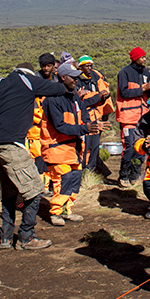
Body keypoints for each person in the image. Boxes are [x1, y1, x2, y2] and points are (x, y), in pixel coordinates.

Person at [0, 60, 69, 250]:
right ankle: (27, 236)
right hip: (11, 145)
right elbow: (57, 89)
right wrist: (68, 85)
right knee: (35, 190)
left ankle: (6, 237)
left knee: (8, 191)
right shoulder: (28, 81)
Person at [41, 62, 107, 226]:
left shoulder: (74, 97)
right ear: (63, 78)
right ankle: (56, 212)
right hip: (57, 148)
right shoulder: (52, 99)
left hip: (73, 148)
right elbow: (60, 126)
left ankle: (67, 210)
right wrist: (85, 128)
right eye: (73, 78)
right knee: (64, 179)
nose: (76, 81)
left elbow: (84, 115)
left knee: (75, 178)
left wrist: (90, 126)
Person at [115, 47, 150, 187]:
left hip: (142, 116)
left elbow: (146, 96)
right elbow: (124, 93)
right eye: (142, 57)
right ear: (135, 58)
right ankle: (123, 176)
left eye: (145, 57)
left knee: (142, 148)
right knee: (130, 147)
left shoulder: (146, 72)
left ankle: (135, 175)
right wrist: (143, 88)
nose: (144, 59)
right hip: (128, 116)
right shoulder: (124, 73)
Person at [76, 55, 114, 177]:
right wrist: (98, 97)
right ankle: (82, 174)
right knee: (84, 148)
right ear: (80, 67)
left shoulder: (95, 79)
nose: (89, 68)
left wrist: (102, 99)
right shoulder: (76, 81)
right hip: (84, 120)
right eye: (86, 65)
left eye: (91, 65)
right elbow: (81, 102)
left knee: (94, 148)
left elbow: (94, 100)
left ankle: (90, 175)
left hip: (96, 118)